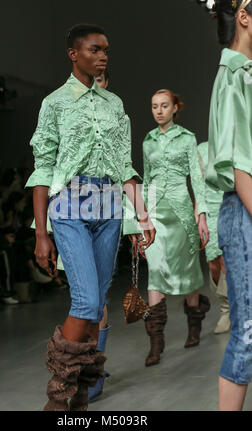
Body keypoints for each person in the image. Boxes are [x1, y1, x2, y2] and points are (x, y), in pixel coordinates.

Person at [25, 23, 156, 411]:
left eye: (106, 51)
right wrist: (41, 234)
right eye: (95, 50)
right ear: (74, 54)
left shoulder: (114, 104)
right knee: (84, 302)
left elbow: (124, 167)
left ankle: (82, 391)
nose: (103, 57)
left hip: (109, 208)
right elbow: (43, 168)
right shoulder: (55, 103)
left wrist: (142, 218)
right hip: (69, 207)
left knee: (98, 303)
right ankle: (59, 395)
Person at [125, 89, 210, 367]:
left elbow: (197, 178)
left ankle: (194, 325)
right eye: (154, 106)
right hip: (156, 214)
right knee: (156, 272)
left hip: (182, 211)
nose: (159, 110)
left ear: (175, 108)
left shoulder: (187, 138)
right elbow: (146, 180)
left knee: (189, 272)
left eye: (164, 106)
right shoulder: (148, 140)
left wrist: (202, 213)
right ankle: (156, 341)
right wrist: (142, 217)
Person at [206, 0, 252, 411]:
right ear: (244, 17)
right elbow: (239, 164)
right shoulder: (234, 74)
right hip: (245, 210)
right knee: (248, 332)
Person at [198, 142, 230, 334]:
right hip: (209, 211)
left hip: (229, 204)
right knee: (213, 265)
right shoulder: (201, 149)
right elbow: (197, 183)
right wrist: (199, 211)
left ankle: (228, 311)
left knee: (227, 262)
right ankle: (225, 305)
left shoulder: (234, 144)